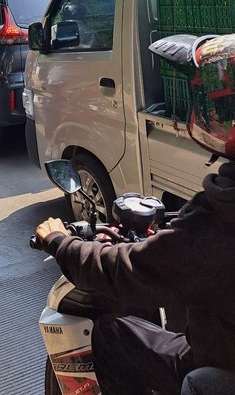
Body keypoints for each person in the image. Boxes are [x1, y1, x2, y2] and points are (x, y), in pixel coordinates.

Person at [35, 119, 235, 394]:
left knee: (109, 334)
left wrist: (60, 243)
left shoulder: (220, 218)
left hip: (217, 369)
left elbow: (129, 271)